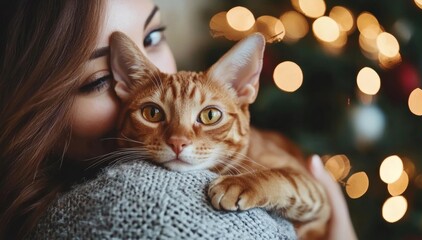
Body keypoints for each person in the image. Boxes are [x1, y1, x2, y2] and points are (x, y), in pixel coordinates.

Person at [0, 0, 357, 239]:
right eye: (99, 80)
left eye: (154, 36)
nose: (180, 139)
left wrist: (261, 185)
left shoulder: (254, 156)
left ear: (243, 91)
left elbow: (317, 199)